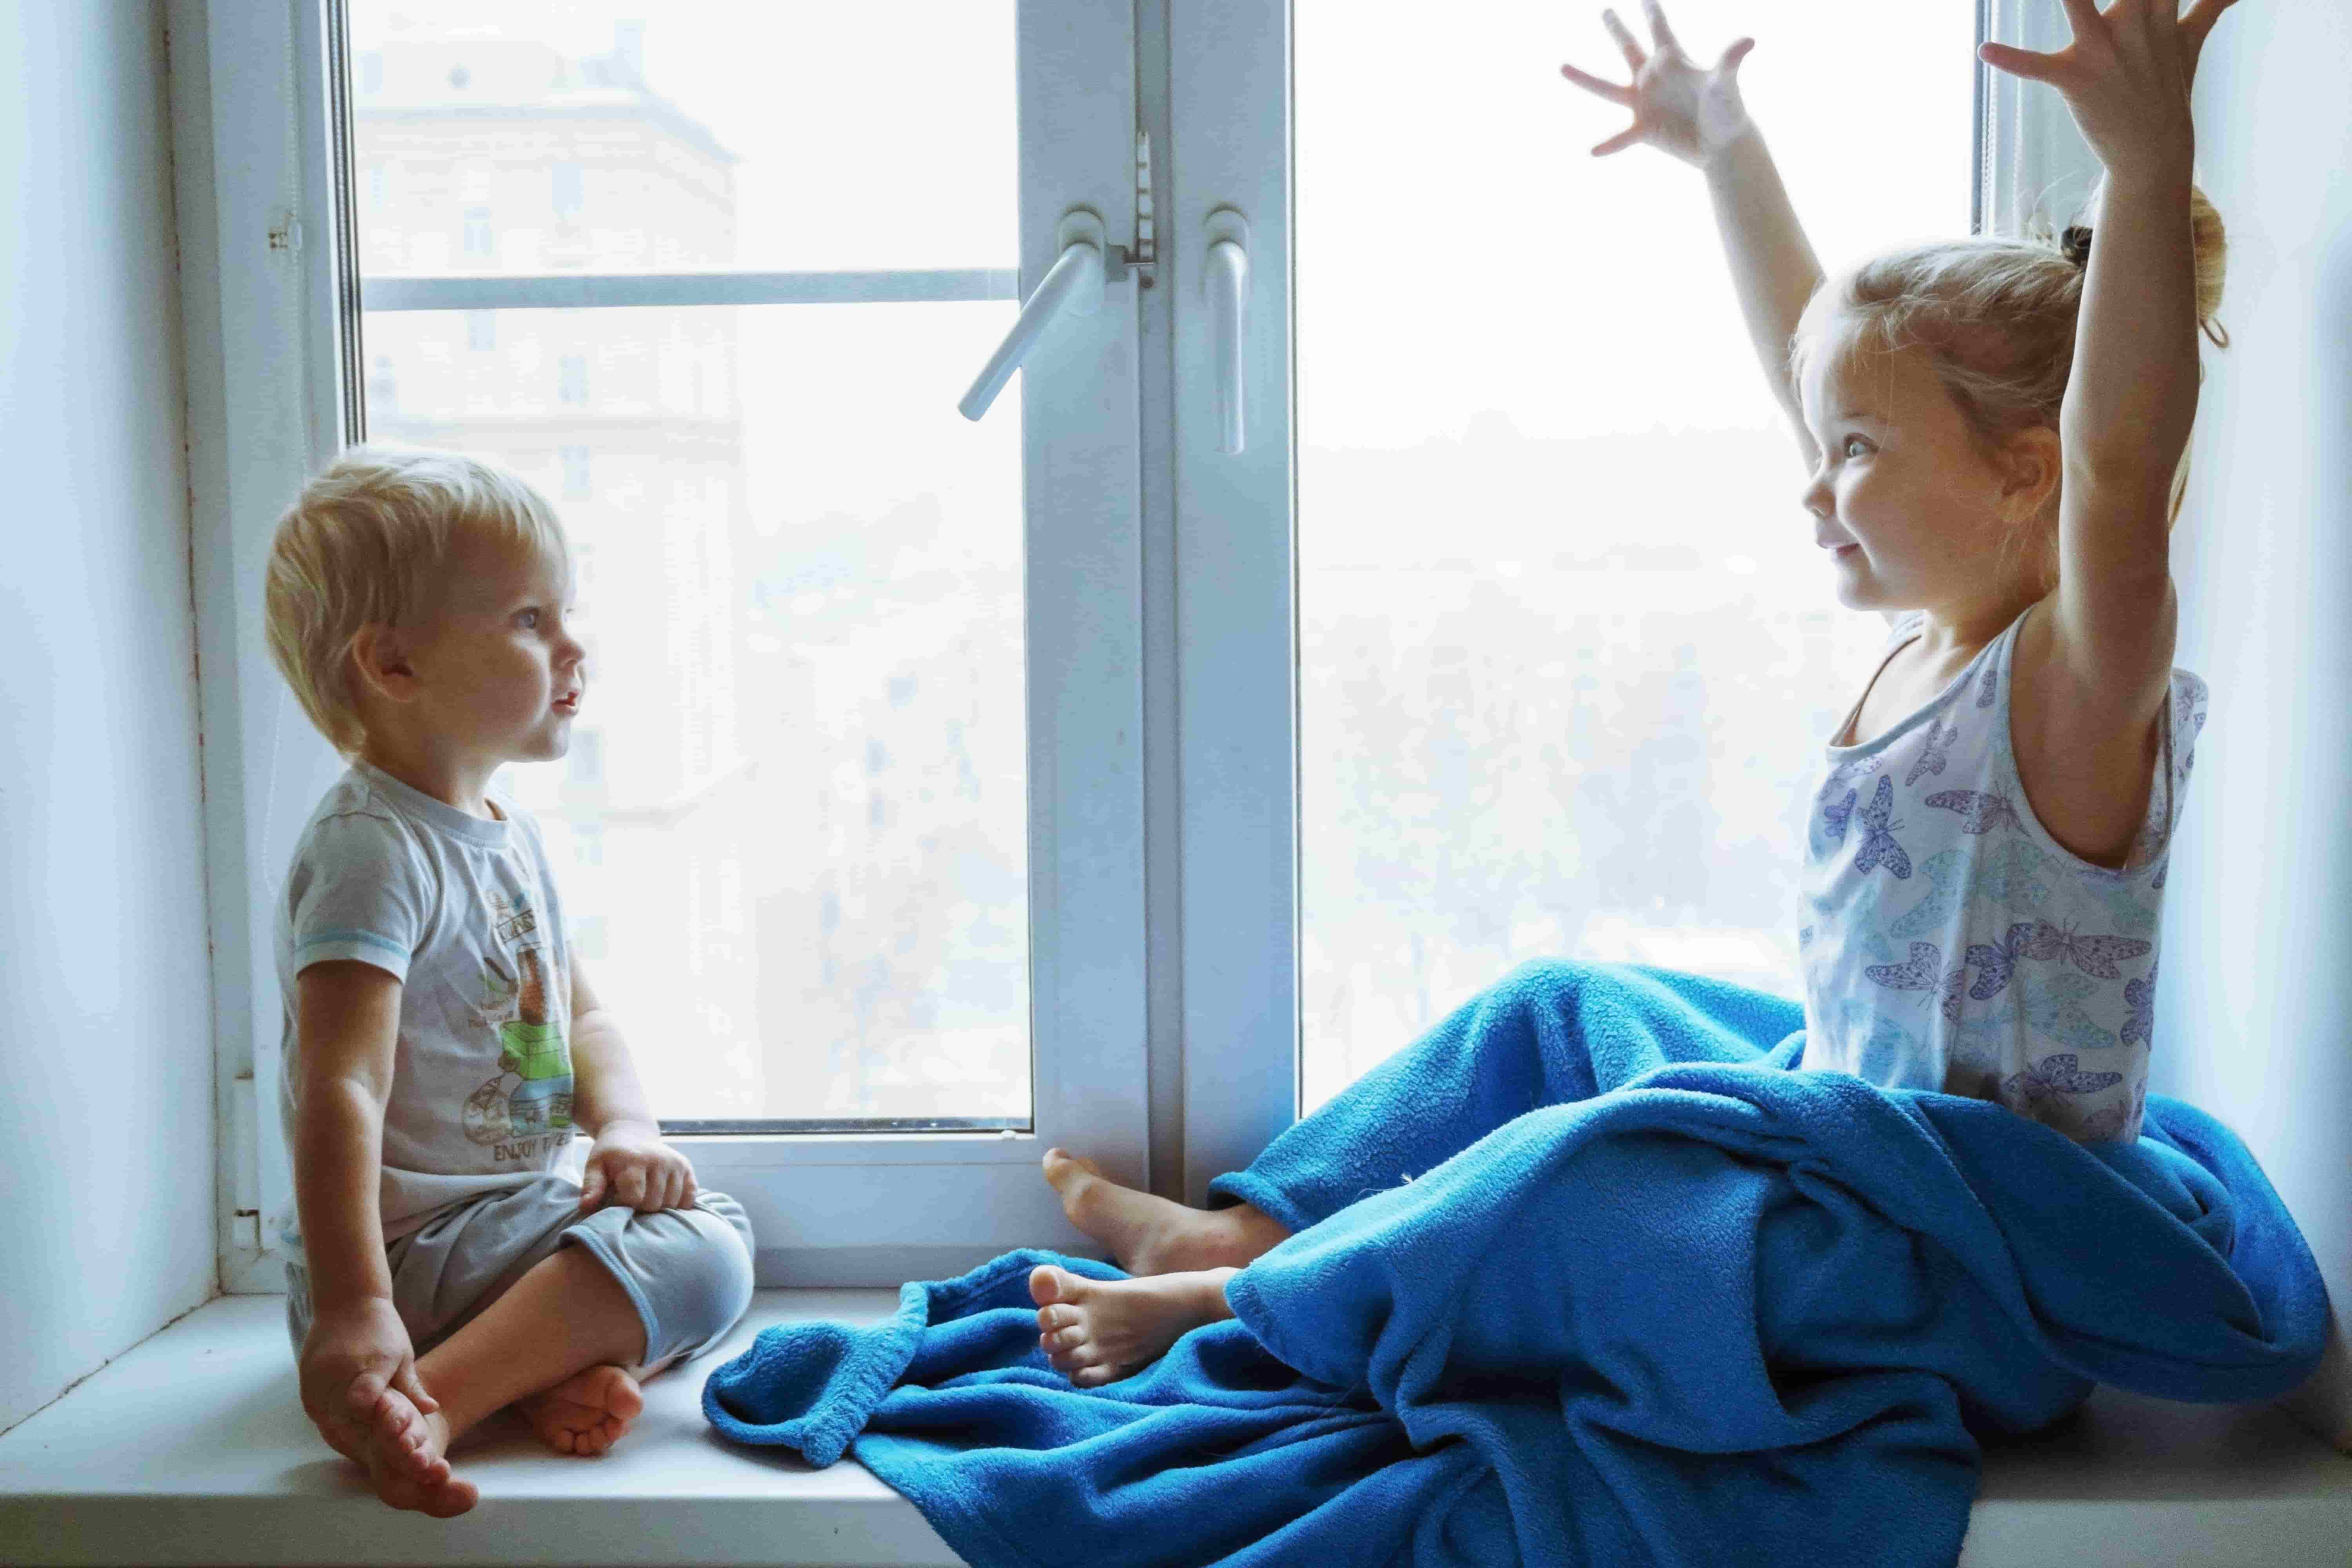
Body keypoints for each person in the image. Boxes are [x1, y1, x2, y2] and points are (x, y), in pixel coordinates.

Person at [1025, 0, 2239, 1388]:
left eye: (1851, 452)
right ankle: (1237, 1227)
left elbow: (2127, 467)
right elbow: (1819, 352)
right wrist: (1727, 151)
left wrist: (2145, 161)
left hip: (1954, 1267)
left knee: (1595, 1166)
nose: (1813, 477)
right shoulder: (1940, 631)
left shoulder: (2074, 693)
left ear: (2031, 474)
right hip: (1854, 1151)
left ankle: (1248, 1301)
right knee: (1556, 1008)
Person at [264, 447, 755, 1514]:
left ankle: (534, 1377)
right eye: (531, 620)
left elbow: (577, 1015)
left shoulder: (504, 836)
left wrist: (624, 1125)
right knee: (705, 1253)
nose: (573, 645)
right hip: (411, 1260)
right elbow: (339, 1089)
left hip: (500, 1238)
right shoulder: (371, 850)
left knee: (714, 1234)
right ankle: (429, 1401)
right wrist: (354, 1306)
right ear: (394, 667)